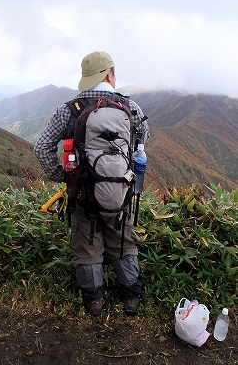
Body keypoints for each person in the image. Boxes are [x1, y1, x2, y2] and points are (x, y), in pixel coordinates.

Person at [34, 51, 149, 316]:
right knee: (124, 242)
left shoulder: (68, 110)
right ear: (110, 73)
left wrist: (61, 176)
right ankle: (131, 298)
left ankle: (94, 302)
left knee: (87, 246)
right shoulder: (131, 109)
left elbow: (41, 148)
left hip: (82, 193)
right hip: (121, 193)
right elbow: (141, 144)